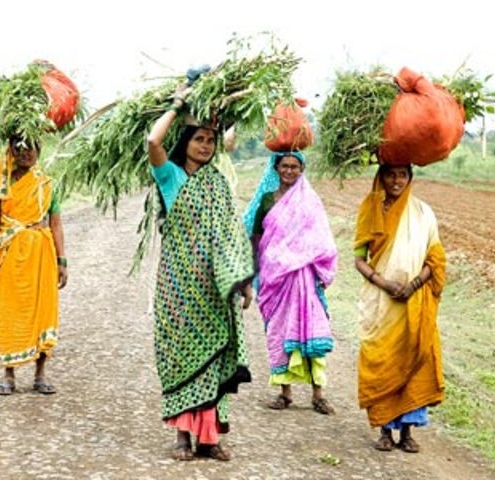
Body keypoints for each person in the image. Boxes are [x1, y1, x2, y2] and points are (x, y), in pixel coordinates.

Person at [146, 88, 255, 462]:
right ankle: (182, 435)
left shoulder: (218, 183)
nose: (206, 146)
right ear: (186, 141)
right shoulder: (170, 176)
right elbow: (152, 140)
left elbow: (232, 232)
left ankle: (210, 437)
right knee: (183, 356)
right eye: (199, 139)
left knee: (216, 356)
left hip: (215, 288)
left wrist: (243, 279)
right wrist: (178, 103)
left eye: (210, 139)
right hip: (179, 287)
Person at [353, 163, 446, 453]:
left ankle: (407, 432)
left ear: (410, 177)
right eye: (390, 174)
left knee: (415, 359)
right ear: (380, 177)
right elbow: (359, 258)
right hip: (382, 303)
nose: (396, 181)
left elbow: (436, 258)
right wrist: (385, 283)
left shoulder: (423, 213)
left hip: (415, 303)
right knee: (382, 360)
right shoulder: (371, 208)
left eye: (402, 175)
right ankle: (384, 430)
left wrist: (414, 285)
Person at [242, 151, 338, 415]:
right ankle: (285, 392)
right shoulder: (265, 200)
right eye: (284, 166)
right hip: (274, 278)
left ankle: (318, 394)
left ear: (302, 169)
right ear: (276, 168)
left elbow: (321, 239)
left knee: (311, 331)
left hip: (304, 277)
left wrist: (317, 268)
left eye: (295, 166)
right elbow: (256, 239)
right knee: (279, 332)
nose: (289, 171)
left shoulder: (309, 202)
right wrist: (251, 274)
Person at [0, 136, 68, 396]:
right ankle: (8, 375)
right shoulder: (2, 184)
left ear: (39, 151)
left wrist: (62, 260)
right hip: (10, 252)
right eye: (19, 148)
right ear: (11, 152)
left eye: (31, 148)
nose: (26, 153)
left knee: (43, 309)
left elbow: (56, 224)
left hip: (42, 253)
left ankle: (40, 374)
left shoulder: (46, 185)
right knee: (9, 309)